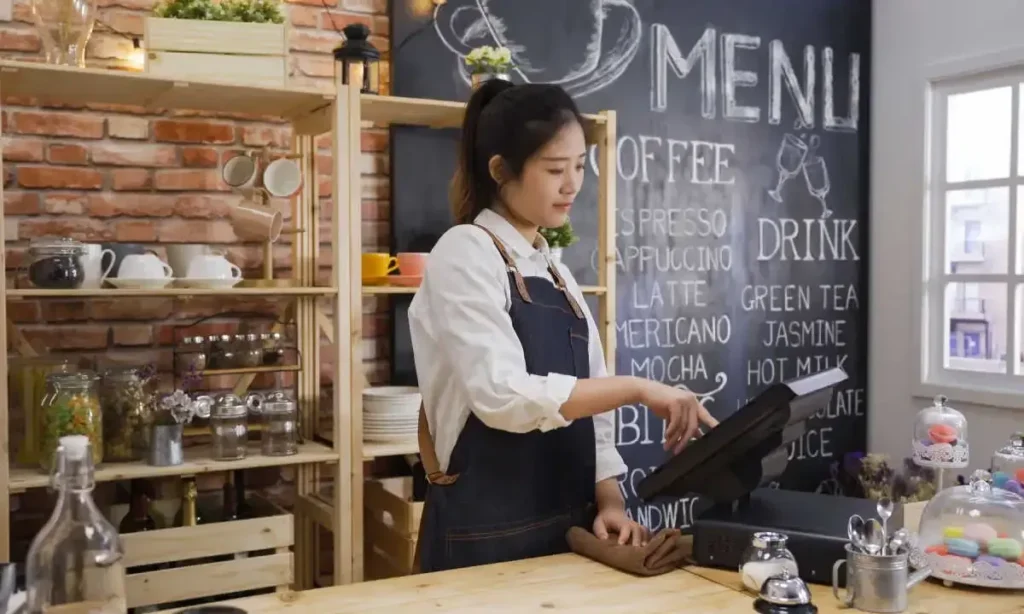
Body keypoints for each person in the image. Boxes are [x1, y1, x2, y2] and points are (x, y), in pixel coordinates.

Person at [409, 79, 718, 573]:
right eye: (555, 169)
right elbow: (501, 395)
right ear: (500, 170)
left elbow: (593, 411)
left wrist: (610, 501)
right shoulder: (464, 252)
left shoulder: (556, 272)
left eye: (579, 165)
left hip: (569, 536)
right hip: (483, 544)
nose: (572, 184)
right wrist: (637, 389)